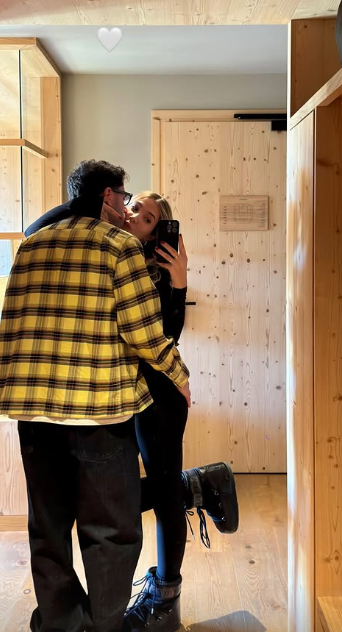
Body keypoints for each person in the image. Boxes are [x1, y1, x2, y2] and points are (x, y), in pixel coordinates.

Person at [0, 160, 191, 632]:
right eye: (123, 198)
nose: (126, 207)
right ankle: (104, 626)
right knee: (111, 532)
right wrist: (179, 375)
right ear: (108, 197)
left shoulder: (31, 244)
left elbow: (12, 321)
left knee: (48, 530)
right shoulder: (121, 248)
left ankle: (63, 625)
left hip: (35, 413)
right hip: (99, 413)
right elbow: (145, 334)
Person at [120, 193, 238, 632]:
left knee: (158, 496)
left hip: (160, 396)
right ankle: (193, 487)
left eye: (148, 217)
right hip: (118, 394)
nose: (136, 215)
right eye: (135, 206)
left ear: (157, 233)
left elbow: (169, 334)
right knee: (116, 491)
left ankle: (166, 600)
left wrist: (180, 281)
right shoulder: (111, 253)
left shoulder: (157, 271)